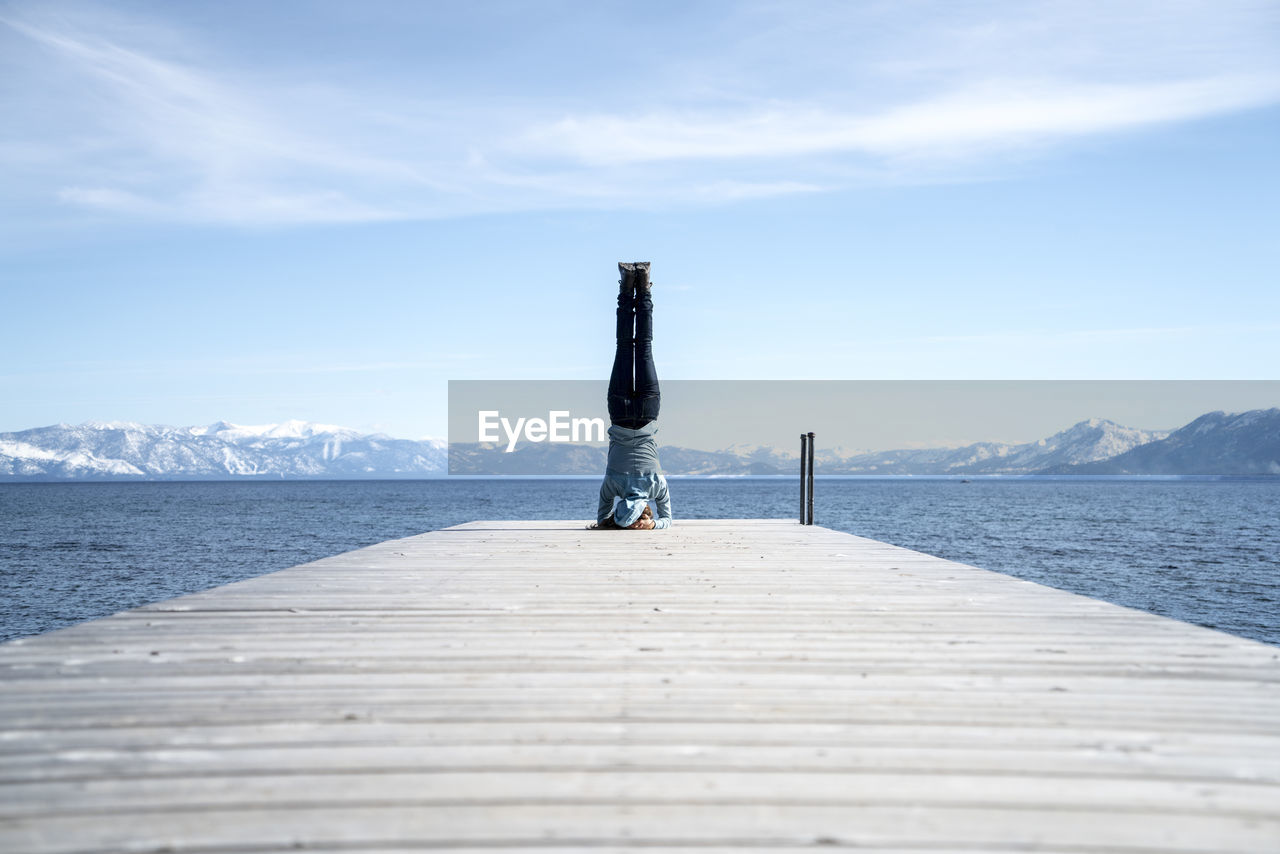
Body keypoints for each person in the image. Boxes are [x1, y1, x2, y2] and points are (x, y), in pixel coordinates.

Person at [594, 261, 672, 530]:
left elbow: (668, 520)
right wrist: (609, 523)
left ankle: (643, 285)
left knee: (644, 347)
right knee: (627, 346)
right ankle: (630, 284)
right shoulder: (612, 485)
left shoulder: (656, 485)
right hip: (620, 413)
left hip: (647, 413)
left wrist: (654, 525)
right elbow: (601, 515)